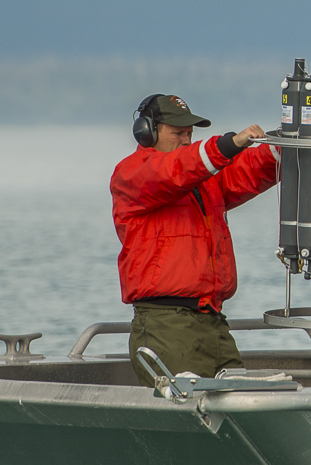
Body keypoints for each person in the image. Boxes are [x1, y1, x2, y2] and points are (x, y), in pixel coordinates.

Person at [111, 93, 278, 387]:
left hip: (212, 321)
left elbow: (245, 172)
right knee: (189, 412)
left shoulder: (202, 177)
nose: (186, 141)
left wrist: (283, 146)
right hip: (167, 326)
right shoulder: (132, 174)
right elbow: (174, 172)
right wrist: (227, 145)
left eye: (189, 134)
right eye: (178, 133)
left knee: (242, 406)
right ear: (147, 133)